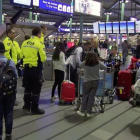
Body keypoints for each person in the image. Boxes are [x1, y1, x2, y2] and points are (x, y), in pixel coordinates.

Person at [21, 27, 46, 115]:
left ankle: (26, 105)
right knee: (36, 89)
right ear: (39, 34)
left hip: (26, 69)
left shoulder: (25, 42)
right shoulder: (39, 44)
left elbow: (21, 55)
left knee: (27, 88)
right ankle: (34, 108)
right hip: (36, 69)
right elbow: (43, 58)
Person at [77, 53, 107, 117]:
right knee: (91, 97)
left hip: (87, 81)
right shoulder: (98, 63)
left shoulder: (85, 63)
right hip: (95, 82)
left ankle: (82, 111)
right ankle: (89, 112)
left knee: (85, 96)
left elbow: (80, 65)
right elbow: (105, 67)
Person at [0, 42, 18, 140]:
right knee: (9, 113)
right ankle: (8, 134)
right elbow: (16, 77)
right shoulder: (10, 62)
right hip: (9, 91)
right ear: (4, 51)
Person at [3, 28, 18, 106]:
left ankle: (13, 98)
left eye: (15, 33)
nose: (14, 35)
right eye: (13, 33)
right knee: (12, 82)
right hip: (10, 65)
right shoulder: (7, 42)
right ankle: (12, 99)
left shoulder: (12, 42)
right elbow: (6, 53)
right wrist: (10, 62)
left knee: (13, 83)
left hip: (13, 64)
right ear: (8, 34)